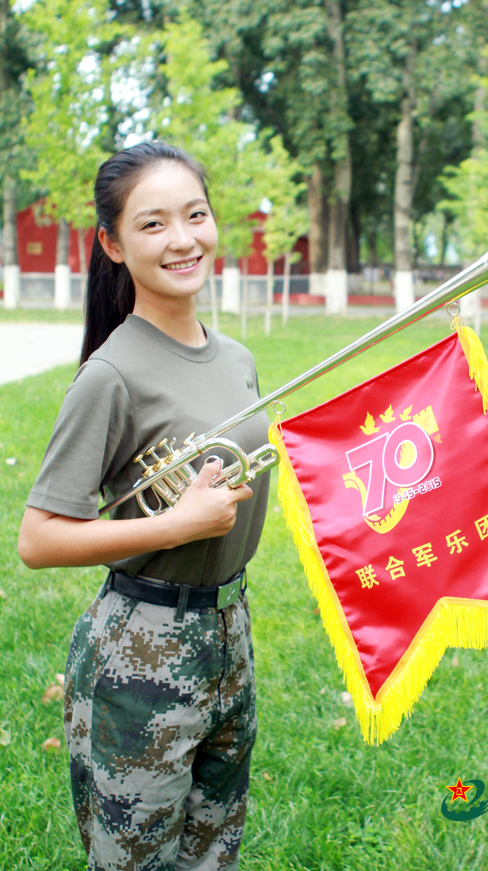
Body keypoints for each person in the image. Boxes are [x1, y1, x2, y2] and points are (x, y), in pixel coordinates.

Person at [18, 142, 270, 871]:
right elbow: (37, 538)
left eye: (196, 215)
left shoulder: (236, 357)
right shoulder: (111, 373)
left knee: (213, 850)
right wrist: (174, 524)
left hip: (228, 629)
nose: (184, 238)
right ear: (113, 243)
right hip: (141, 644)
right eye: (154, 224)